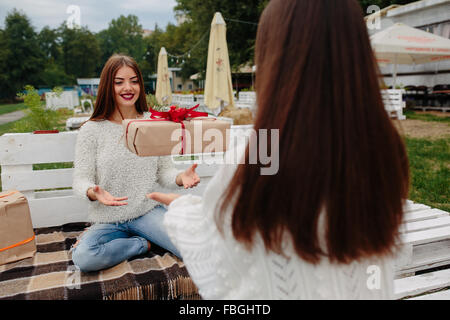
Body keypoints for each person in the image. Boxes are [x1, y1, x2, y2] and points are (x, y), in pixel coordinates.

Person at [148, 0, 410, 299]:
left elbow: (216, 258)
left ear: (275, 62)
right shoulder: (383, 152)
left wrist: (179, 207)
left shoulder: (261, 156)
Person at [71, 54, 200, 273]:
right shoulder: (91, 130)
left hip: (146, 212)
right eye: (119, 82)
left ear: (141, 84)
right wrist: (92, 191)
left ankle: (147, 233)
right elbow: (80, 179)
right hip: (107, 219)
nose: (127, 87)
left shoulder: (153, 123)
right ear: (107, 86)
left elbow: (164, 173)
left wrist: (180, 178)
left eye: (134, 81)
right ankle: (143, 243)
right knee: (84, 257)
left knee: (193, 248)